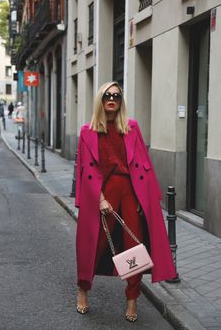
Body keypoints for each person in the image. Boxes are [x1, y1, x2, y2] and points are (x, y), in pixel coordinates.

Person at [75, 81, 176, 322]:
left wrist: (146, 197)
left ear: (121, 101)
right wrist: (99, 199)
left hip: (132, 191)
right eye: (107, 96)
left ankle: (132, 298)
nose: (112, 99)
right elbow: (83, 169)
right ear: (100, 100)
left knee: (134, 245)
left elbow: (144, 162)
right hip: (102, 192)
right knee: (95, 244)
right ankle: (83, 289)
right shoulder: (87, 131)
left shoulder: (131, 127)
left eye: (117, 96)